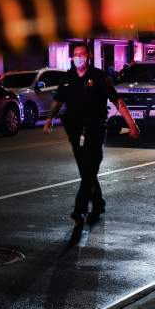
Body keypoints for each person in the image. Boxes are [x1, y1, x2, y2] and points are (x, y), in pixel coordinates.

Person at [44, 43, 140, 227]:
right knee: (86, 170)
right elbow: (57, 102)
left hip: (95, 129)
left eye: (81, 54)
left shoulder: (100, 77)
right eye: (75, 54)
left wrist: (131, 124)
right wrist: (49, 119)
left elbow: (117, 102)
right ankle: (98, 203)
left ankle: (80, 209)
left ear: (88, 56)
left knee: (89, 170)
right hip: (74, 131)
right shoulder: (67, 78)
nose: (78, 57)